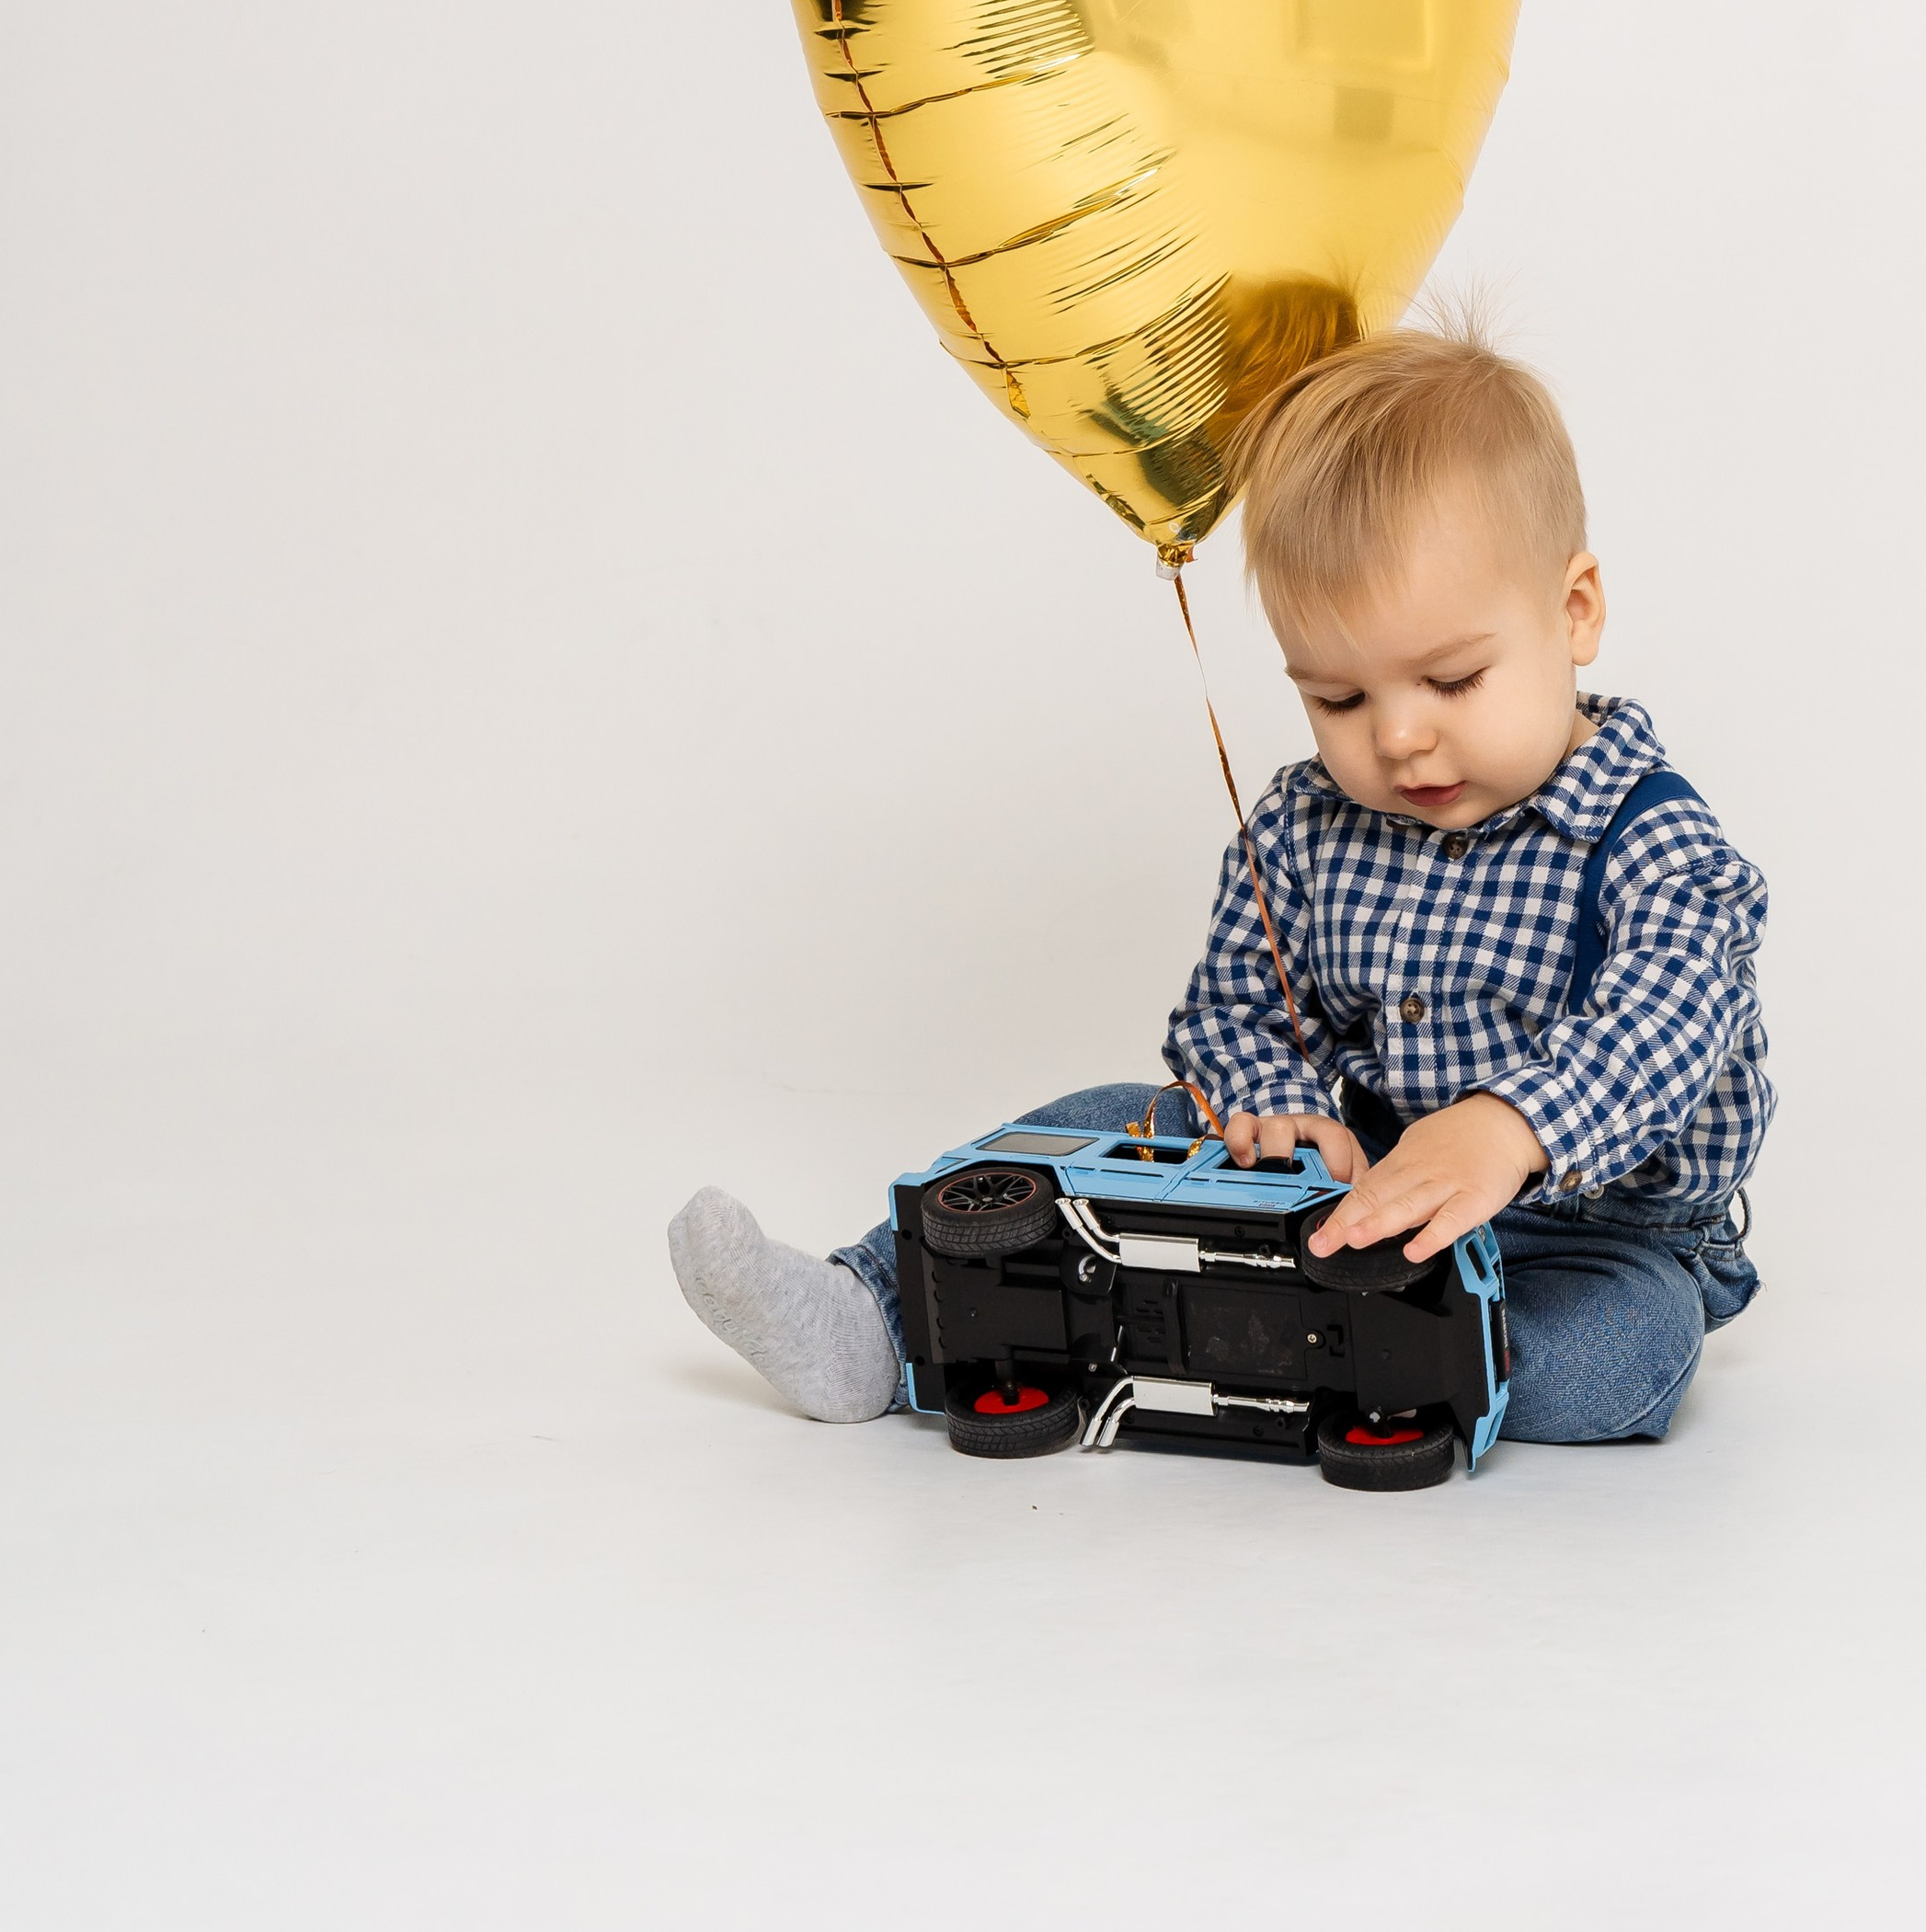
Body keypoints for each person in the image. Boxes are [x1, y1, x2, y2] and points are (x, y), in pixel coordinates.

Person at [669, 324, 1773, 1446]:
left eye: (1451, 679)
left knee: (1621, 1348)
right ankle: (878, 1315)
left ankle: (1411, 1354)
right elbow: (1231, 1007)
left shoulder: (1650, 837)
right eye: (1337, 700)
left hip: (1587, 1231)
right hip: (1355, 1186)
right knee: (1098, 1125)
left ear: (1575, 611)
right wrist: (1274, 1107)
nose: (1398, 738)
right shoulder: (1305, 825)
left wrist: (1507, 1129)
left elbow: (1675, 1016)